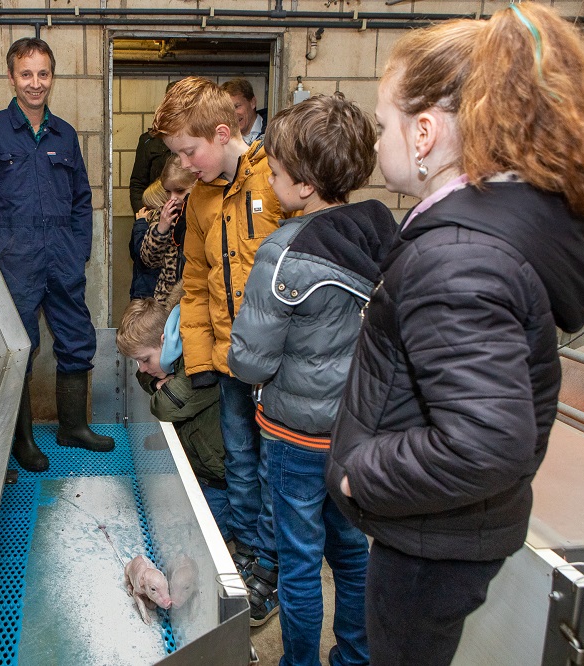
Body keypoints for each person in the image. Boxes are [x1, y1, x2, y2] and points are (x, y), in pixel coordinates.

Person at [324, 6, 584, 665]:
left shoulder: (457, 257)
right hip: (448, 530)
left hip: (431, 544)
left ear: (425, 133)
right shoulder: (482, 236)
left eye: (383, 125)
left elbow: (485, 441)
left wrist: (359, 475)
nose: (376, 145)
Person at [228, 93, 396, 666]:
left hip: (295, 440)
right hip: (356, 436)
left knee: (300, 563)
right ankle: (353, 657)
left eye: (273, 172)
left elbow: (249, 362)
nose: (268, 180)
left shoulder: (282, 252)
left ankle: (296, 662)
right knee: (352, 554)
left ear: (303, 186)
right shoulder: (383, 235)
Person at [0, 37, 114, 473]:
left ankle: (73, 427)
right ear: (12, 78)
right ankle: (23, 441)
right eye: (26, 74)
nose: (36, 83)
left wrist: (79, 250)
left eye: (43, 73)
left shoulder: (66, 135)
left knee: (75, 336)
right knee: (21, 347)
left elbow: (80, 198)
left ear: (52, 77)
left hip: (62, 257)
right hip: (15, 259)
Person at [152, 76, 282, 626]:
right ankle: (249, 552)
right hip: (228, 363)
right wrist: (202, 363)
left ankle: (273, 567)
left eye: (189, 151)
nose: (185, 163)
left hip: (276, 367)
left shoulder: (275, 178)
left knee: (276, 467)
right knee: (241, 464)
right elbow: (199, 283)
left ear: (222, 132)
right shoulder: (202, 196)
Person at [117, 291, 231, 541]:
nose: (143, 369)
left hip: (220, 480)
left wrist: (160, 389)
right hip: (200, 468)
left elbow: (165, 406)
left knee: (200, 541)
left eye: (145, 359)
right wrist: (158, 383)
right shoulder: (170, 359)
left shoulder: (197, 361)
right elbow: (143, 377)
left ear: (164, 340)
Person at [140, 155, 197, 304]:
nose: (172, 198)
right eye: (168, 192)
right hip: (165, 299)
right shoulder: (162, 215)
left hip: (195, 295)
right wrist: (161, 229)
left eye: (179, 191)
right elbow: (148, 260)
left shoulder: (203, 214)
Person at [128, 130, 171, 299]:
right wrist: (141, 222)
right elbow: (139, 253)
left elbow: (140, 252)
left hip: (151, 292)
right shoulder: (149, 141)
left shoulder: (163, 224)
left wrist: (141, 225)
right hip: (145, 291)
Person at [221, 79, 268, 145]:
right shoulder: (223, 141)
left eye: (237, 106)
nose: (232, 114)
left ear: (253, 103)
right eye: (227, 110)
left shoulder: (273, 134)